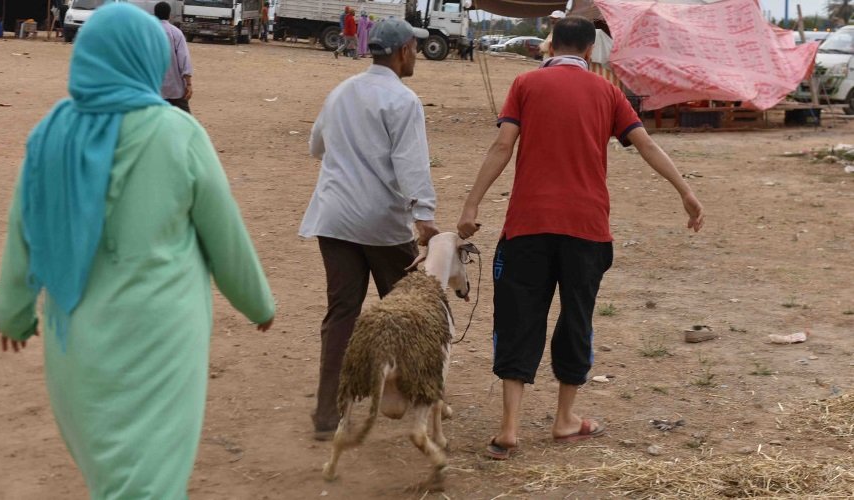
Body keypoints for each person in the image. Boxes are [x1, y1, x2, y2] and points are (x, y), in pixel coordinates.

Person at [0, 4, 276, 497]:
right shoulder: (178, 133)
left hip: (77, 342)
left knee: (114, 477)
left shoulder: (51, 134)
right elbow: (224, 234)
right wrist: (257, 302)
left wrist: (12, 314)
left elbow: (24, 232)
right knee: (151, 478)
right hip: (161, 343)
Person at [456, 16, 705, 460]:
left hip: (528, 225)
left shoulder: (526, 85)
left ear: (551, 46)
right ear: (590, 52)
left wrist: (471, 205)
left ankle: (509, 428)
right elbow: (646, 144)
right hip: (587, 228)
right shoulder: (608, 92)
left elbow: (501, 146)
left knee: (518, 318)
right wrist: (685, 191)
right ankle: (565, 420)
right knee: (577, 318)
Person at [301, 18, 437, 440]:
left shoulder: (342, 91)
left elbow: (315, 146)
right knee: (410, 313)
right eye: (414, 48)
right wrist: (425, 217)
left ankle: (328, 414)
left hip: (335, 218)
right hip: (381, 223)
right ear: (401, 52)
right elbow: (410, 163)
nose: (415, 55)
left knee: (341, 313)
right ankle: (417, 400)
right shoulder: (403, 99)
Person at [155, 2, 193, 113]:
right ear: (169, 15)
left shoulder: (147, 32)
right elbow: (184, 59)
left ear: (154, 14)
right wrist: (189, 84)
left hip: (154, 88)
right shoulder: (176, 32)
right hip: (174, 88)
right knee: (186, 122)